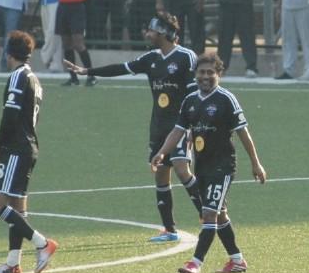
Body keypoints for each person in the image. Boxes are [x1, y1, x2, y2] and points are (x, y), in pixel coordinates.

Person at [64, 14, 204, 242]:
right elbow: (121, 68)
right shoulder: (151, 58)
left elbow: (193, 94)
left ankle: (207, 215)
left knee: (181, 167)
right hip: (158, 126)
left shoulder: (186, 57)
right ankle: (170, 230)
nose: (147, 34)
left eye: (150, 30)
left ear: (163, 33)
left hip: (179, 125)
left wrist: (193, 125)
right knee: (160, 175)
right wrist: (87, 71)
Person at [152, 53, 267, 273]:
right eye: (201, 73)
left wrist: (256, 163)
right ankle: (237, 260)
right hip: (202, 167)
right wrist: (162, 152)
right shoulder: (190, 101)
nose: (205, 77)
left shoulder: (226, 99)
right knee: (220, 214)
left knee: (209, 214)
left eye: (210, 73)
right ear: (195, 75)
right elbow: (178, 131)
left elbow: (243, 133)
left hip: (222, 166)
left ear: (219, 75)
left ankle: (195, 262)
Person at [0, 31, 59, 273]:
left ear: (9, 54)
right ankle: (13, 263)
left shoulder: (17, 76)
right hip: (29, 147)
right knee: (18, 207)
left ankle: (42, 243)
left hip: (16, 148)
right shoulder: (35, 79)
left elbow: (11, 114)